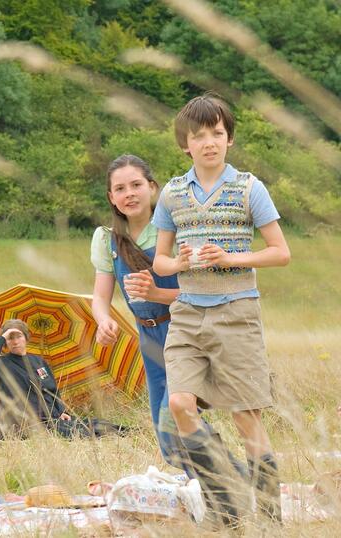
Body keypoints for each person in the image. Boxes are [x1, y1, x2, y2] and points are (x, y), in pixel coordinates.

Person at [152, 93, 290, 528]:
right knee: (179, 403)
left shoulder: (250, 188)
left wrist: (232, 259)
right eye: (199, 136)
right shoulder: (173, 193)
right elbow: (160, 261)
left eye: (217, 133)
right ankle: (225, 504)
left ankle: (269, 520)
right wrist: (181, 264)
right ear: (185, 144)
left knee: (245, 417)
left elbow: (279, 252)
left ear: (229, 139)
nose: (208, 142)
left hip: (237, 312)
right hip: (189, 314)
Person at [90, 154, 245, 478]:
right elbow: (101, 297)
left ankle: (234, 484)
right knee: (168, 442)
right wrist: (103, 320)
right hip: (148, 340)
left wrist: (156, 294)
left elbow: (205, 293)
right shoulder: (106, 239)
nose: (129, 193)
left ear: (153, 188)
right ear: (111, 197)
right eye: (120, 188)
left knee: (172, 419)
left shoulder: (175, 232)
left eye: (136, 185)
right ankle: (215, 489)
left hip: (185, 331)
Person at [0, 319, 127, 439]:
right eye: (10, 338)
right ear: (5, 342)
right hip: (24, 425)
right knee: (78, 431)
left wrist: (62, 411)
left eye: (19, 336)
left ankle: (129, 432)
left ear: (26, 337)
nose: (15, 341)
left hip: (50, 418)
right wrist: (3, 335)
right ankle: (116, 435)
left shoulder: (38, 361)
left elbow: (52, 390)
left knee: (92, 423)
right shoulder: (2, 363)